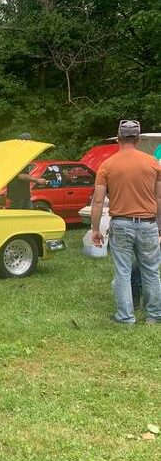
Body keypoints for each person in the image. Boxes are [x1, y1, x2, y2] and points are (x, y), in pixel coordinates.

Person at [91, 119, 161, 325]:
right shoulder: (153, 164)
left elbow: (97, 201)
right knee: (151, 271)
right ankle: (155, 315)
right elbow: (159, 199)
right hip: (148, 224)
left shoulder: (107, 165)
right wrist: (160, 227)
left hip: (121, 224)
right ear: (138, 139)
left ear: (119, 138)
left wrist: (95, 229)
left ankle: (126, 316)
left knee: (122, 271)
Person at [6, 133, 48, 209]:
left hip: (24, 194)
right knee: (18, 217)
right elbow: (21, 176)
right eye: (29, 142)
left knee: (29, 213)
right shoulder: (17, 156)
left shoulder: (22, 155)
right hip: (17, 195)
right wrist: (38, 180)